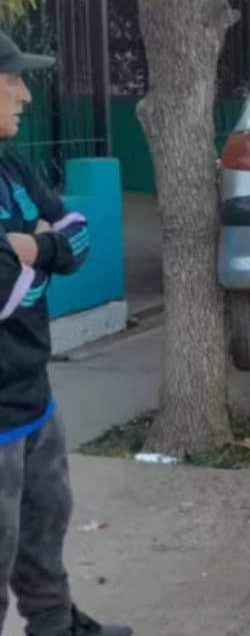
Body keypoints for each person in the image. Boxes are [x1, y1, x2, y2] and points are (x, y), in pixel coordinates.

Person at [0, 31, 132, 635]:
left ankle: (55, 628)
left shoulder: (12, 165)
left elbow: (77, 234)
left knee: (44, 530)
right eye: (12, 80)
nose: (25, 94)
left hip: (32, 396)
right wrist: (37, 258)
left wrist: (36, 249)